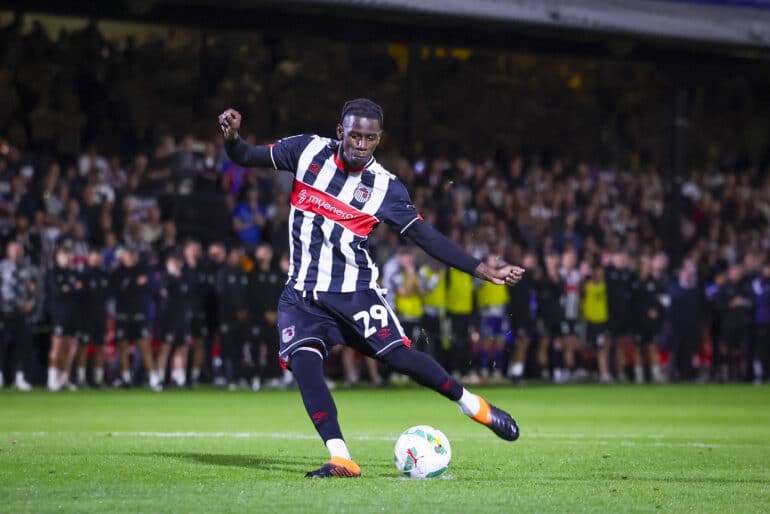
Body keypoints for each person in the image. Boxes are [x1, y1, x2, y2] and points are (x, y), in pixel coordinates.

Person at [219, 98, 524, 478]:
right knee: (305, 365)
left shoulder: (386, 188)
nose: (360, 144)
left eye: (370, 138)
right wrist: (232, 138)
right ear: (340, 132)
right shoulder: (306, 151)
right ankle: (341, 457)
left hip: (354, 293)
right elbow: (245, 155)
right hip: (301, 296)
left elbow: (427, 238)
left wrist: (483, 270)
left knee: (400, 358)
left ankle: (472, 405)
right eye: (354, 135)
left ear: (378, 140)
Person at [111, 247, 158, 389]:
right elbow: (117, 292)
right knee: (123, 347)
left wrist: (133, 287)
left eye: (132, 254)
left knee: (145, 346)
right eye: (128, 254)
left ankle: (154, 378)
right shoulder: (118, 272)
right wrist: (135, 284)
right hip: (122, 314)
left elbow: (151, 288)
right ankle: (125, 378)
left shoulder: (142, 269)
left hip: (139, 313)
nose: (130, 257)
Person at [0, 242, 38, 391]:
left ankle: (20, 376)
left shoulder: (28, 269)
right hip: (4, 312)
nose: (16, 252)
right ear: (8, 251)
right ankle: (1, 375)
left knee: (22, 346)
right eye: (13, 249)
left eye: (18, 250)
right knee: (1, 345)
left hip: (22, 313)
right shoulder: (2, 267)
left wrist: (31, 302)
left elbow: (35, 288)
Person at [46, 245, 82, 391]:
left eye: (68, 255)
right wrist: (71, 289)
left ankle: (64, 378)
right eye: (63, 255)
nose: (66, 258)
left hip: (73, 314)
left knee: (70, 348)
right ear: (57, 257)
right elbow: (57, 292)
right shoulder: (52, 273)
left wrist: (69, 289)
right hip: (59, 314)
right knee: (57, 347)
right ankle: (52, 379)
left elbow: (80, 291)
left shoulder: (74, 273)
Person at [216, 245, 251, 390]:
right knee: (226, 348)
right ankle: (225, 376)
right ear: (228, 256)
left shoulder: (243, 272)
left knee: (239, 348)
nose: (237, 258)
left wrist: (244, 310)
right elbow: (221, 296)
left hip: (242, 318)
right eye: (235, 255)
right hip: (227, 317)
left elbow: (248, 294)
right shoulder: (223, 273)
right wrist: (234, 311)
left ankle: (238, 377)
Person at [75, 250, 110, 388]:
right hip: (86, 316)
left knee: (100, 346)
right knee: (83, 346)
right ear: (89, 257)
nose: (96, 259)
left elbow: (108, 294)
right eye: (94, 257)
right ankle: (81, 378)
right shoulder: (83, 274)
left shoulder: (104, 274)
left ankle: (98, 379)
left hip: (100, 315)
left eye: (98, 257)